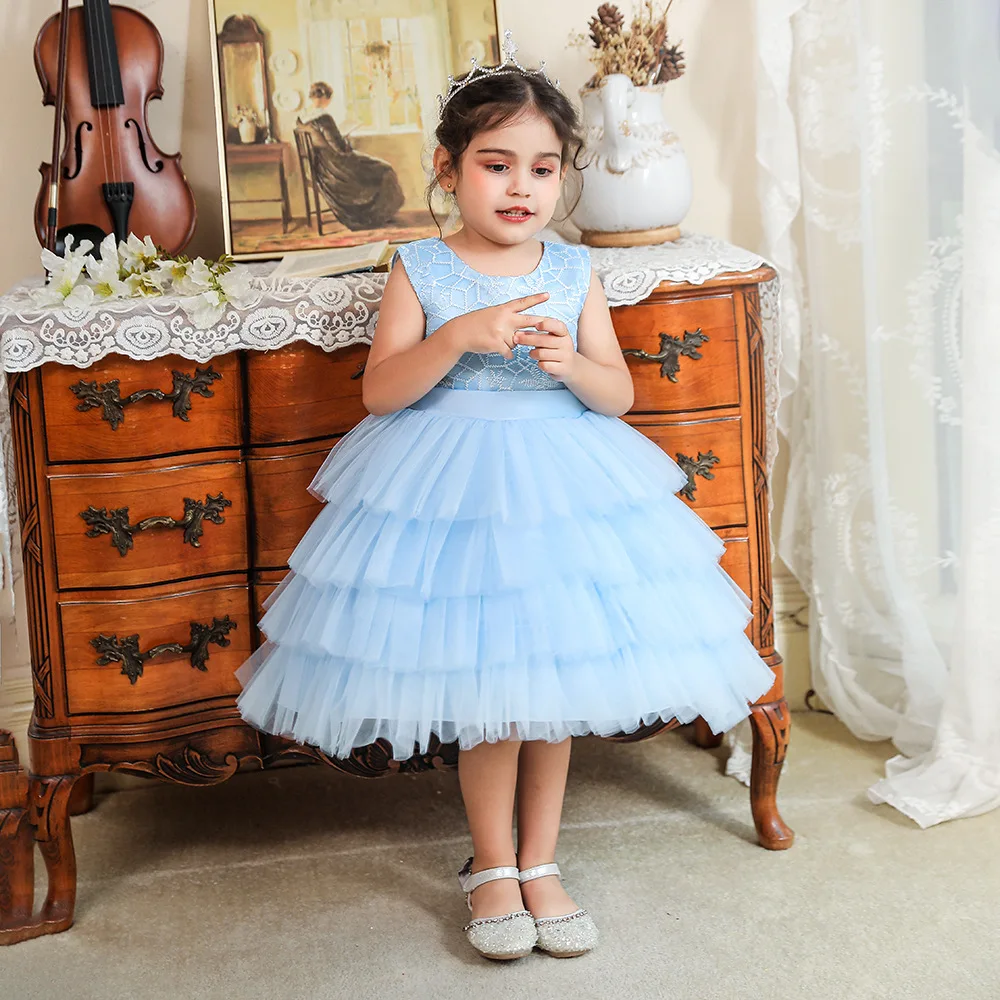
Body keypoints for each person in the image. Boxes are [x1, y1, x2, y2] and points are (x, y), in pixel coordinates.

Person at [237, 37, 774, 962]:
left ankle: (541, 862)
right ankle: (491, 866)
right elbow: (380, 392)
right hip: (457, 498)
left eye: (542, 167)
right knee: (493, 694)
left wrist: (572, 366)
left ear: (562, 177)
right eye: (496, 165)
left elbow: (618, 395)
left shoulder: (571, 271)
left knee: (550, 691)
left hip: (559, 494)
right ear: (448, 169)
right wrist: (457, 338)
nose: (520, 187)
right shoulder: (420, 266)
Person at [296, 81, 404, 231]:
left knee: (375, 166)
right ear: (325, 97)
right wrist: (345, 139)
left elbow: (323, 142)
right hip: (335, 167)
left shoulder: (302, 118)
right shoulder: (323, 117)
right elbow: (339, 148)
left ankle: (373, 215)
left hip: (319, 165)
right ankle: (374, 217)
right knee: (385, 169)